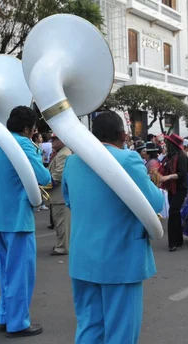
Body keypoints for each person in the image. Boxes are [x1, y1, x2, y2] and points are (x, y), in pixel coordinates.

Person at [62, 111, 163, 344]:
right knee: (121, 332)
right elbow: (155, 202)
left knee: (88, 325)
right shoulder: (128, 159)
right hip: (121, 257)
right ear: (123, 135)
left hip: (83, 257)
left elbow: (70, 201)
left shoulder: (73, 161)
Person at [0, 106, 52, 338]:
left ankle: (5, 316)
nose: (33, 133)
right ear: (26, 128)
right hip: (17, 219)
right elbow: (44, 177)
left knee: (5, 273)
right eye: (33, 129)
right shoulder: (22, 144)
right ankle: (18, 323)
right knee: (20, 275)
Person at [159, 133, 188, 252]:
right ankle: (178, 240)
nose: (166, 145)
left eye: (168, 143)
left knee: (173, 212)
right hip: (172, 188)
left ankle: (172, 242)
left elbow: (183, 174)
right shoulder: (169, 156)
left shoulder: (181, 157)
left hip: (181, 188)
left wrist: (168, 177)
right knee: (175, 213)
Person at [48, 134, 72, 256]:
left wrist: (43, 184)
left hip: (60, 196)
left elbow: (57, 176)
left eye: (55, 139)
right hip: (59, 196)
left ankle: (63, 247)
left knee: (62, 224)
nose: (52, 142)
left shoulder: (63, 154)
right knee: (60, 223)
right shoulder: (61, 152)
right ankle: (62, 245)